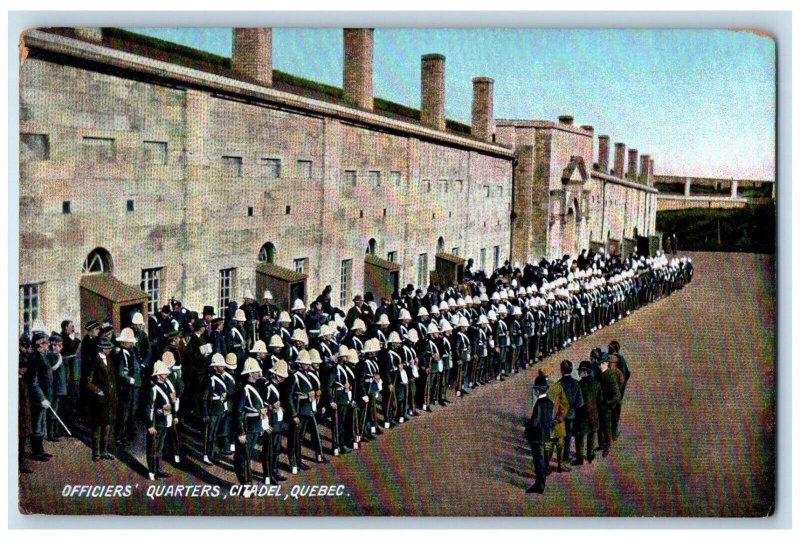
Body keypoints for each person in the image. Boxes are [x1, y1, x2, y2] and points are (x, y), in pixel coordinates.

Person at [234, 358, 267, 485]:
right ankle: (245, 482)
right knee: (243, 456)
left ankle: (247, 480)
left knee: (249, 454)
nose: (259, 373)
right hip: (247, 427)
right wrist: (241, 432)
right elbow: (238, 412)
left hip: (255, 425)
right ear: (250, 373)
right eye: (256, 371)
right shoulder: (244, 389)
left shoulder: (258, 386)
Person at [84, 337, 117, 461]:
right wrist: (98, 391)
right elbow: (88, 382)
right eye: (108, 348)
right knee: (97, 427)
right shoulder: (94, 362)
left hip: (110, 399)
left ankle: (105, 451)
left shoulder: (110, 360)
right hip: (99, 400)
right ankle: (96, 452)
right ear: (102, 349)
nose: (110, 350)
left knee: (108, 426)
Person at [261, 359, 289, 484]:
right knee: (268, 450)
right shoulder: (267, 387)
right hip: (270, 421)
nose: (283, 379)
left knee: (276, 448)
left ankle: (275, 471)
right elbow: (262, 407)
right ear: (275, 375)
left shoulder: (278, 386)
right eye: (281, 376)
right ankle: (268, 475)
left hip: (277, 421)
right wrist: (272, 407)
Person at [146, 360, 176, 480]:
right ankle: (151, 471)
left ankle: (158, 469)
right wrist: (149, 425)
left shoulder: (166, 384)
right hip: (156, 422)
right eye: (164, 373)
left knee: (160, 446)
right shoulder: (153, 387)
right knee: (153, 447)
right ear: (158, 375)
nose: (167, 375)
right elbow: (149, 407)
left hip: (165, 420)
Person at [26, 331, 54, 461]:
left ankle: (40, 451)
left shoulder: (42, 355)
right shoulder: (36, 358)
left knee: (40, 424)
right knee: (37, 425)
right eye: (45, 343)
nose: (48, 345)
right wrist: (42, 398)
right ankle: (37, 452)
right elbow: (33, 382)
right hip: (37, 398)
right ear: (39, 344)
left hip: (43, 397)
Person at [525, 375, 554, 494]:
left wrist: (528, 431)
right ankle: (541, 483)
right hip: (546, 435)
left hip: (538, 438)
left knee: (539, 462)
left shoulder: (539, 404)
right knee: (543, 460)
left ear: (537, 390)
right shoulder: (549, 402)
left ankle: (539, 485)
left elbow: (535, 422)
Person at [113, 328, 142, 447]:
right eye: (129, 342)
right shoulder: (121, 355)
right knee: (123, 412)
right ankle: (119, 437)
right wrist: (130, 379)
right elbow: (120, 373)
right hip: (125, 388)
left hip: (131, 387)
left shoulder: (130, 352)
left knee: (130, 411)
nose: (132, 343)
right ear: (123, 342)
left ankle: (126, 434)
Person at [200, 353, 228, 465]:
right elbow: (204, 398)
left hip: (219, 409)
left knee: (214, 433)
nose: (223, 367)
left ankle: (211, 454)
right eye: (221, 366)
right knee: (209, 434)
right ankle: (207, 455)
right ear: (215, 367)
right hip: (212, 410)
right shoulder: (210, 379)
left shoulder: (221, 377)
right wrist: (205, 413)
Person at [574, 361, 602, 465]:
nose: (579, 373)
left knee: (580, 438)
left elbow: (577, 402)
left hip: (581, 415)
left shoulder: (579, 384)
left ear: (585, 372)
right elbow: (600, 400)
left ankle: (580, 458)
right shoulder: (597, 383)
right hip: (593, 414)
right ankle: (590, 456)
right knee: (591, 435)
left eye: (580, 371)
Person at [556, 360, 584, 464]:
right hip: (571, 415)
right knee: (568, 437)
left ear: (561, 371)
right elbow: (580, 402)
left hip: (560, 415)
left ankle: (560, 461)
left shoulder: (558, 384)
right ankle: (566, 457)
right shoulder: (576, 383)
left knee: (560, 437)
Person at [597, 355, 621, 457]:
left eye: (602, 363)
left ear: (607, 363)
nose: (600, 366)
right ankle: (601, 444)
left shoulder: (610, 375)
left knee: (606, 427)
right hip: (599, 404)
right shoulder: (599, 374)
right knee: (600, 426)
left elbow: (617, 394)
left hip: (606, 406)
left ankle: (607, 446)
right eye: (599, 364)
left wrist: (608, 402)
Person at [45, 333, 68, 442]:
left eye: (57, 345)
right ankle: (51, 434)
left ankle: (54, 432)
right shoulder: (53, 356)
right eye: (53, 345)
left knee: (56, 410)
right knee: (53, 411)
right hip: (55, 388)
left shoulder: (57, 356)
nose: (55, 347)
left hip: (59, 388)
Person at [19, 336, 33, 473]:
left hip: (23, 414)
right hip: (19, 415)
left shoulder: (22, 379)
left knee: (23, 437)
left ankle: (21, 461)